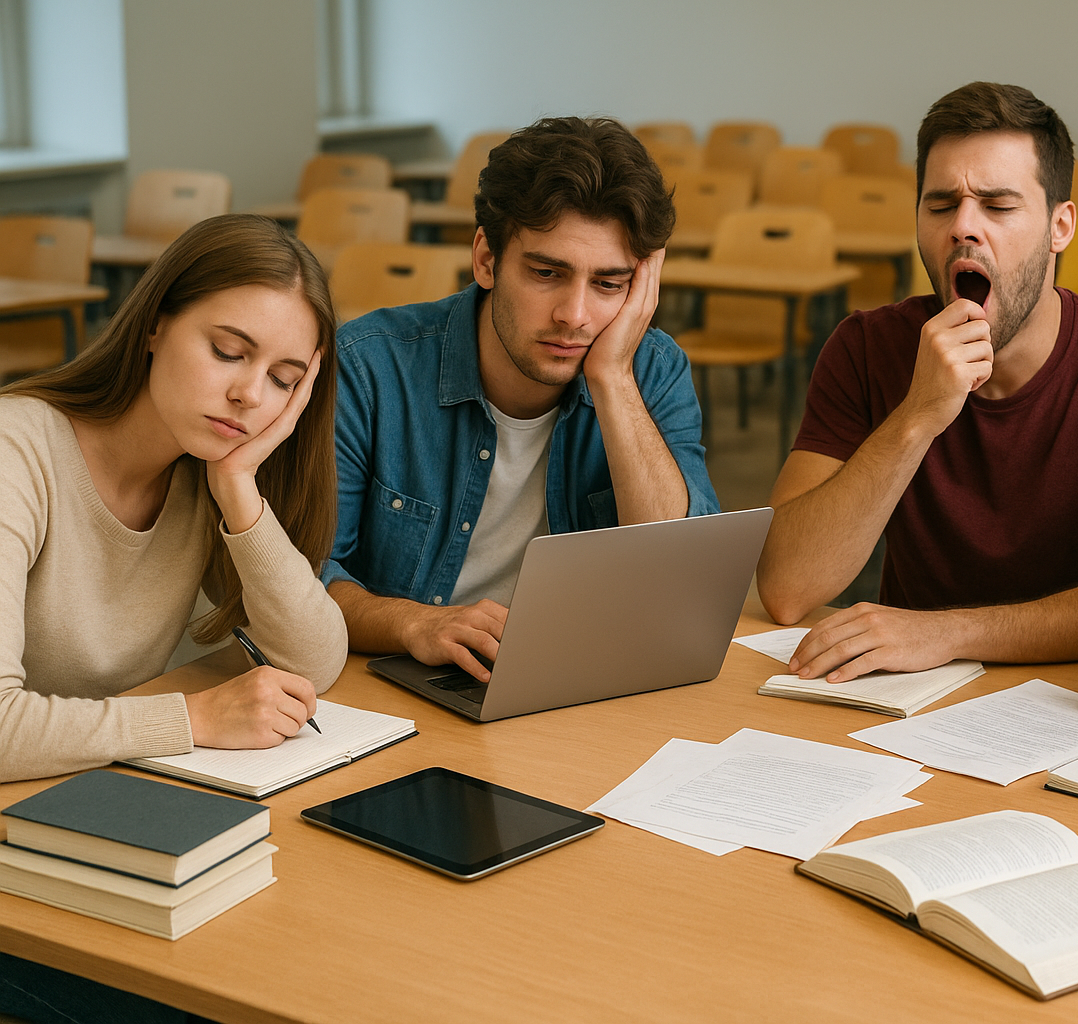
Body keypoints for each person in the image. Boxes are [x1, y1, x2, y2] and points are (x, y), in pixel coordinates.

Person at [0, 213, 347, 1022]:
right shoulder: (18, 452)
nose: (247, 394)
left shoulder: (202, 475)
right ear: (155, 324)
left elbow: (316, 662)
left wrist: (239, 490)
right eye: (228, 351)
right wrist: (191, 717)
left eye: (284, 378)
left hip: (87, 834)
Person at [756, 81, 1078, 681]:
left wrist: (951, 632)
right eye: (941, 205)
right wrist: (917, 416)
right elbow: (785, 587)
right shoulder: (866, 348)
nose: (964, 227)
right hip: (907, 693)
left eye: (998, 205)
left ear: (1060, 227)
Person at [323, 117, 717, 681]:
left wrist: (611, 380)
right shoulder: (368, 370)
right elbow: (304, 577)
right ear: (486, 260)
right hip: (402, 683)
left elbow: (682, 585)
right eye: (547, 273)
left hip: (581, 683)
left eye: (609, 284)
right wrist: (412, 624)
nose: (575, 316)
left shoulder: (649, 373)